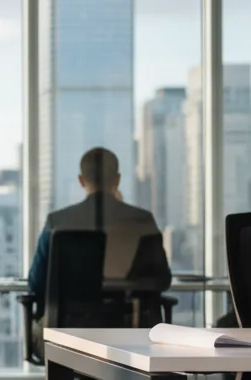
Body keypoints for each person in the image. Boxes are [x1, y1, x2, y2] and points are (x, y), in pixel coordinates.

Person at [27, 146, 172, 346]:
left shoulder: (58, 221)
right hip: (131, 333)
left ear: (81, 180)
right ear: (118, 179)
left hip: (67, 333)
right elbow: (161, 280)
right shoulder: (142, 221)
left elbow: (37, 282)